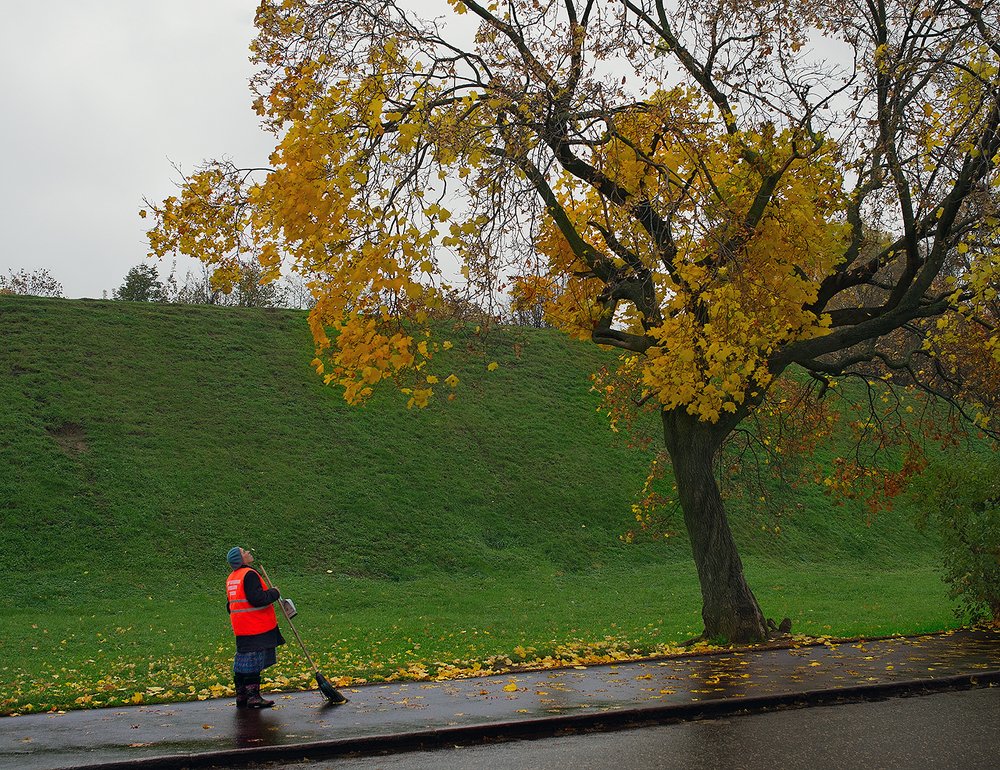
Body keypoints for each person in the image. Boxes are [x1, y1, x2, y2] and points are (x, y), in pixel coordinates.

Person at [225, 546, 285, 708]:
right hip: (256, 625)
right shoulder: (249, 574)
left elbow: (230, 605)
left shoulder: (232, 577)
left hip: (241, 626)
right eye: (244, 552)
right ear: (240, 559)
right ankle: (253, 697)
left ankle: (241, 696)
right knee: (253, 661)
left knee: (242, 661)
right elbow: (256, 598)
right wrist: (274, 593)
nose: (248, 553)